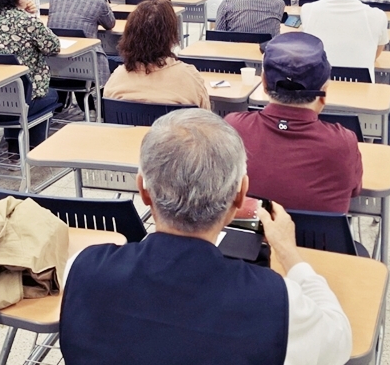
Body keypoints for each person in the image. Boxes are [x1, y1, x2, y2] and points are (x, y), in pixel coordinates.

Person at [60, 108, 352, 365]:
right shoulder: (279, 303)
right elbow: (339, 342)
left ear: (143, 190)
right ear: (240, 195)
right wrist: (289, 252)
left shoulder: (80, 269)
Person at [225, 33, 362, 213]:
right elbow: (355, 190)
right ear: (324, 93)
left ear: (264, 83)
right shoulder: (343, 143)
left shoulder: (232, 129)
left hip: (248, 231)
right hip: (313, 233)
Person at [301, 0, 390, 141]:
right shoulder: (377, 16)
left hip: (317, 98)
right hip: (362, 102)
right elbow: (375, 55)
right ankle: (376, 149)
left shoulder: (308, 10)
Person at [0, 0, 60, 150]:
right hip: (22, 96)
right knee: (49, 94)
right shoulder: (26, 20)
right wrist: (31, 17)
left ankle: (14, 146)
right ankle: (34, 147)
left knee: (14, 88)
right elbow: (53, 46)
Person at [104, 0, 210, 110]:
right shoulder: (190, 78)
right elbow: (206, 118)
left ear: (130, 36)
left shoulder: (115, 80)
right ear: (171, 37)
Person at [48, 0, 116, 110]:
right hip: (87, 68)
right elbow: (110, 24)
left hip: (56, 67)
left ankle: (68, 106)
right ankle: (101, 110)